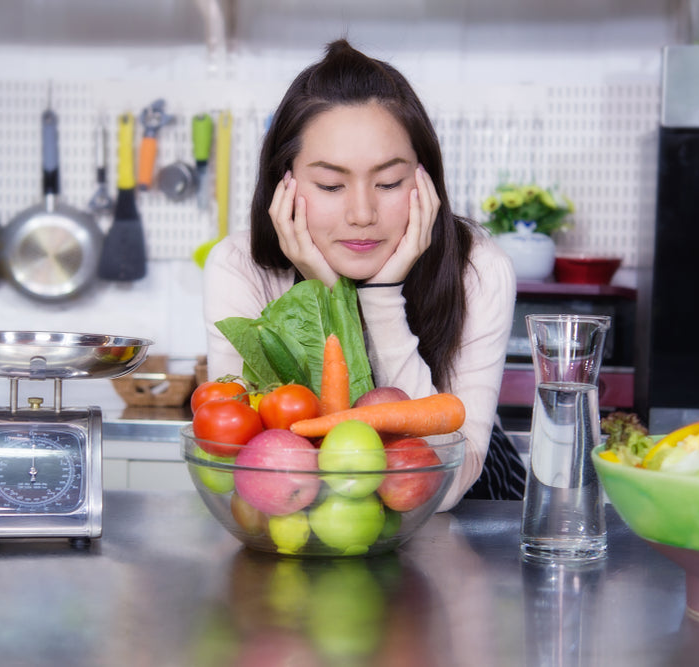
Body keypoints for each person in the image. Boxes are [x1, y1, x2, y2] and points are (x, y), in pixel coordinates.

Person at [202, 39, 525, 510]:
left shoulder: (479, 270)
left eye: (389, 183)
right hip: (313, 521)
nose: (361, 213)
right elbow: (262, 469)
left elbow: (446, 486)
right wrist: (325, 296)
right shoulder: (239, 267)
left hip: (469, 526)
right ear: (283, 183)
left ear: (424, 179)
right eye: (331, 185)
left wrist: (381, 300)